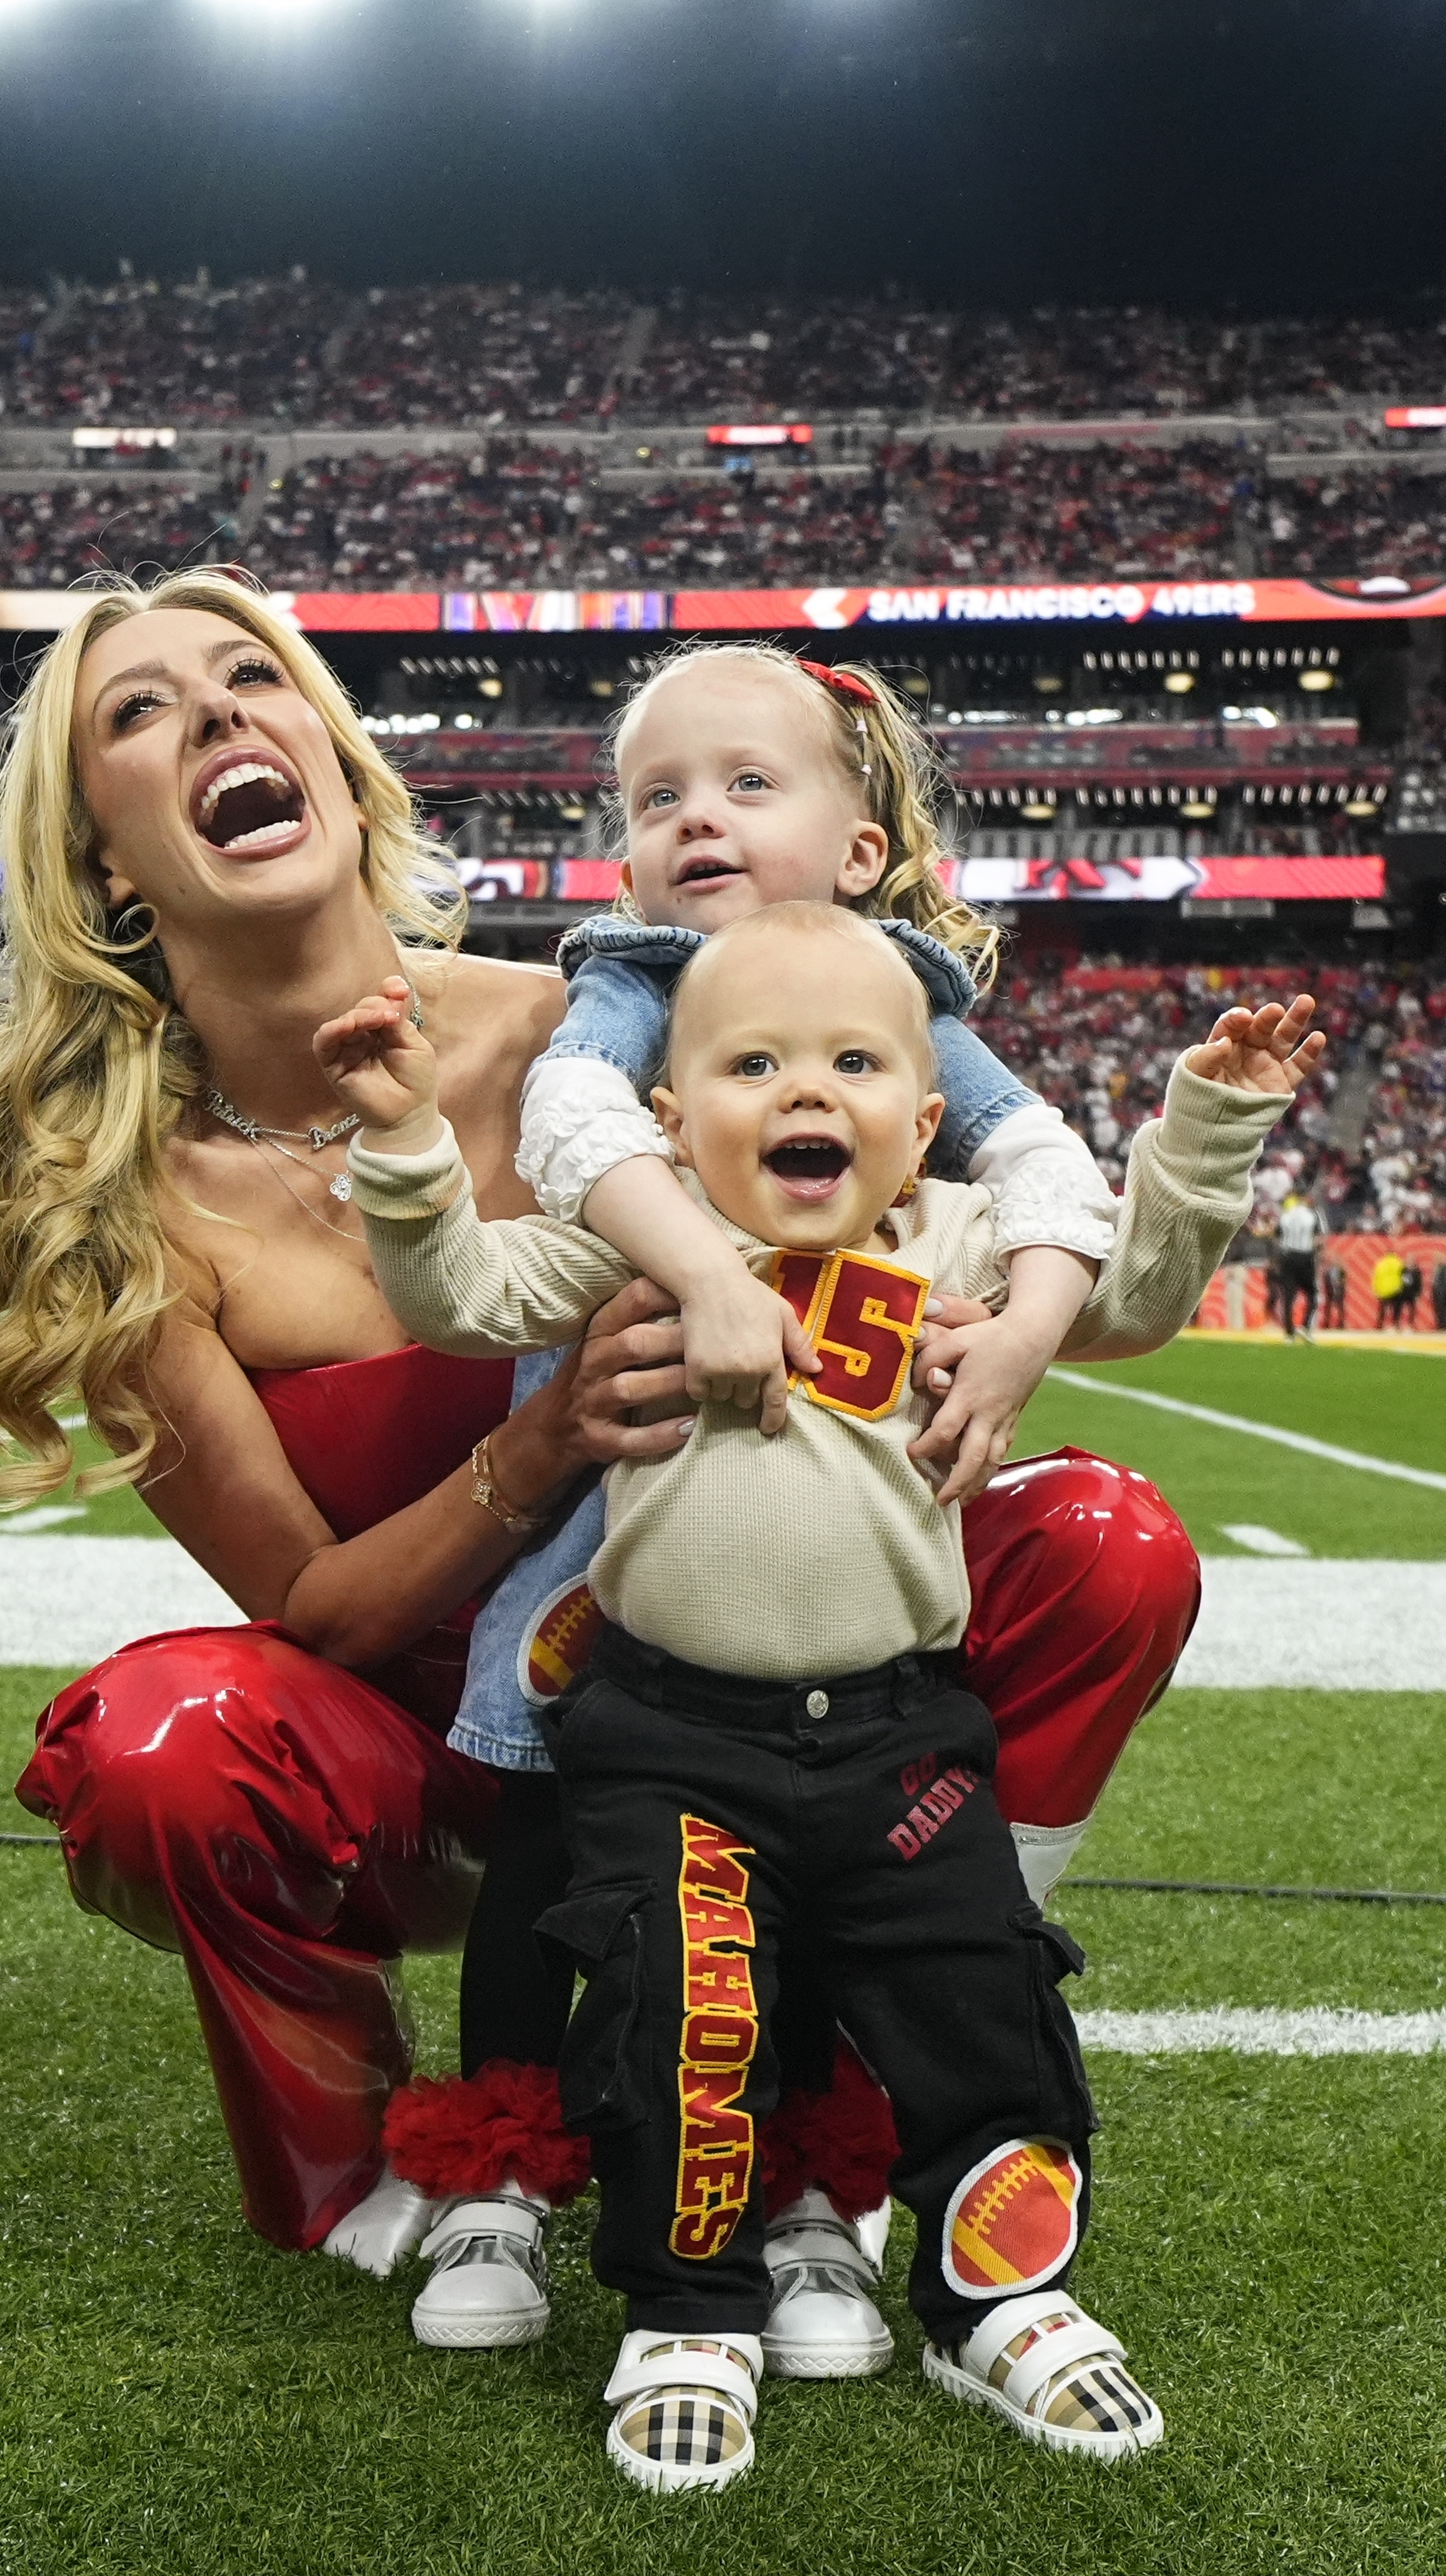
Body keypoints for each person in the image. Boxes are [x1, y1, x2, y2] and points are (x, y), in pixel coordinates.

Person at [0, 569, 1202, 2321]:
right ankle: (378, 2154)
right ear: (105, 860)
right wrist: (547, 1446)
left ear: (341, 771)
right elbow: (310, 1607)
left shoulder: (627, 1015)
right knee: (163, 1743)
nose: (214, 717)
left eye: (250, 678)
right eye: (137, 713)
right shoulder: (106, 1211)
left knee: (1114, 1538)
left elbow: (922, 1191)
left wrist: (985, 1318)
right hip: (430, 1767)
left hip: (736, 1684)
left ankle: (884, 2061)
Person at [317, 904, 1317, 2486]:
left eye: (854, 1061)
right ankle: (691, 2305)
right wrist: (403, 1138)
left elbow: (1130, 1297)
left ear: (924, 1120)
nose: (807, 1091)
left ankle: (1001, 2292)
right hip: (668, 1728)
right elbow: (455, 1291)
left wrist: (1204, 1127)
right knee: (675, 2015)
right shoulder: (635, 1242)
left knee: (982, 1996)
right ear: (666, 1117)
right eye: (754, 1061)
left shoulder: (963, 1239)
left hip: (898, 1722)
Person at [384, 643, 1130, 2358]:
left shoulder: (907, 1006)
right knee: (550, 1822)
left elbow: (1038, 1165)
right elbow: (571, 1122)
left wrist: (1020, 1326)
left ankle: (796, 2173)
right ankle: (505, 2156)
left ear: (862, 845)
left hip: (832, 1494)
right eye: (655, 798)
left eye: (743, 783)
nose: (692, 820)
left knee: (791, 1872)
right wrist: (703, 1282)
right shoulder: (639, 985)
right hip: (624, 1465)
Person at [1272, 1189, 1320, 1339]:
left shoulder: (1286, 1215)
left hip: (1288, 1257)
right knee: (1312, 1294)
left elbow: (1276, 1236)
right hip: (1305, 1257)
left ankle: (1289, 1333)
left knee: (1288, 1296)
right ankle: (1306, 1328)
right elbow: (1318, 1238)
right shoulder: (1312, 1215)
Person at [1371, 1247, 1404, 1329]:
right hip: (1396, 1290)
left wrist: (1376, 1289)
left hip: (1384, 1290)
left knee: (1382, 1310)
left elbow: (1376, 1277)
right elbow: (1404, 1277)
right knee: (1396, 1310)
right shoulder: (1399, 1263)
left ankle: (1380, 1325)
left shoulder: (1381, 1263)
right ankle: (1396, 1325)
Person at [1319, 1256, 1348, 1333]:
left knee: (1340, 1309)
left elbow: (1344, 1282)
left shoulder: (1342, 1271)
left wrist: (1341, 1287)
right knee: (1328, 1309)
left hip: (1339, 1293)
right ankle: (1326, 1324)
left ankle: (1341, 1324)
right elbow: (1326, 1282)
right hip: (1330, 1293)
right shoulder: (1328, 1272)